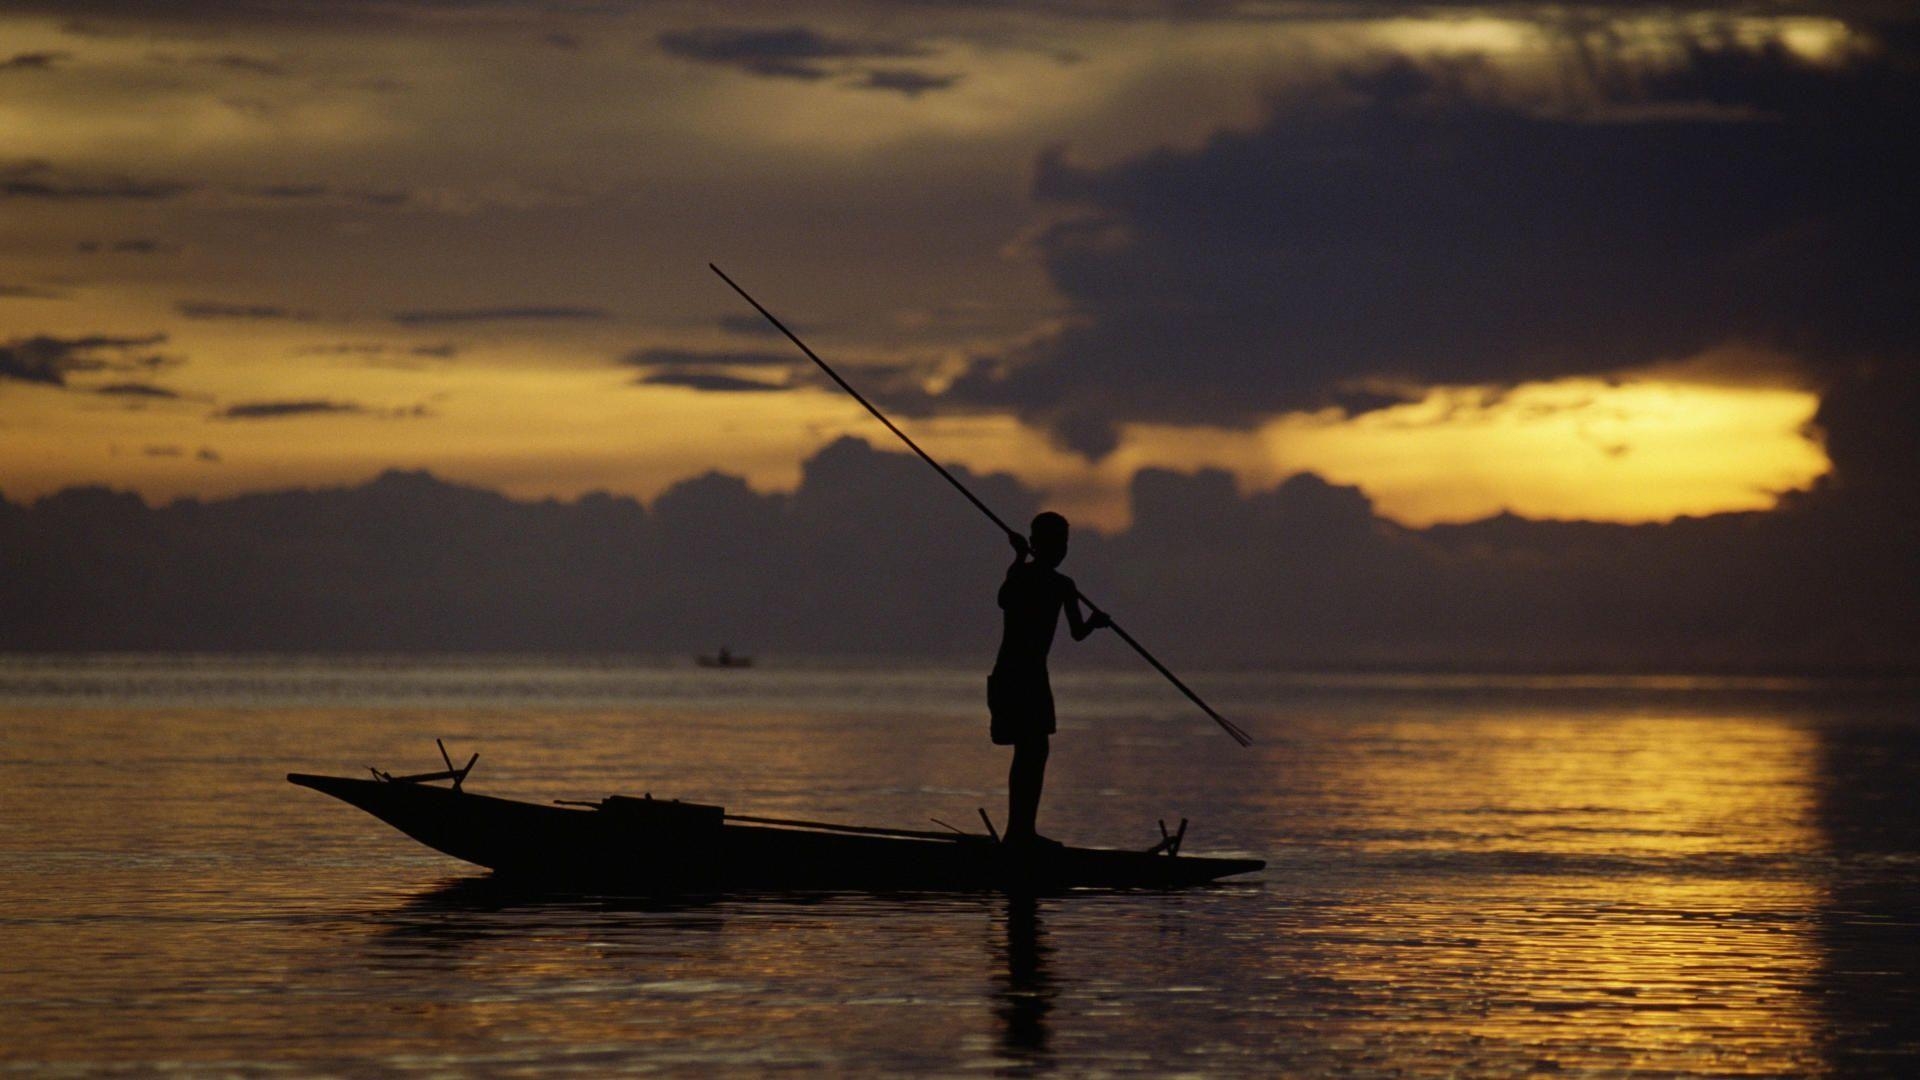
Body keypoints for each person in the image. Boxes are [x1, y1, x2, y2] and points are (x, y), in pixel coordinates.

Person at [989, 511, 1110, 848]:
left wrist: (1095, 622)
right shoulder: (1032, 578)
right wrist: (1016, 558)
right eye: (1056, 543)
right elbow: (1005, 600)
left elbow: (1077, 632)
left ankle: (1021, 831)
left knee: (1034, 751)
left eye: (1064, 544)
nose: (1061, 550)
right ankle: (1019, 833)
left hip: (1031, 675)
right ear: (1039, 544)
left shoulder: (1060, 585)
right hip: (1015, 673)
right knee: (1029, 750)